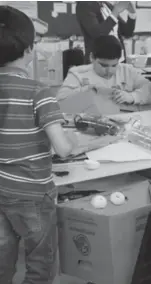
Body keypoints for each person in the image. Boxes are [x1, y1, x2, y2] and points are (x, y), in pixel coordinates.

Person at [0, 6, 77, 284]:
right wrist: (73, 141)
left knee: (3, 255)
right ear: (30, 48)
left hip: (1, 187)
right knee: (40, 261)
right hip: (33, 193)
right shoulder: (39, 92)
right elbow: (63, 149)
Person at [57, 35, 151, 108]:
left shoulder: (127, 71)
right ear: (92, 58)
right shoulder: (77, 74)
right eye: (103, 65)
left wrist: (132, 97)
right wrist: (85, 90)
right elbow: (60, 101)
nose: (109, 71)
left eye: (114, 65)